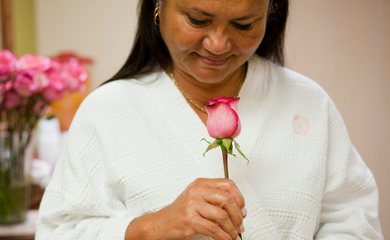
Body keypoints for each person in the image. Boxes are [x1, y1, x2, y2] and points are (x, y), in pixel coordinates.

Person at [36, 0, 384, 239]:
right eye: (198, 20)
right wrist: (152, 228)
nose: (218, 45)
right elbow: (59, 232)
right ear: (158, 7)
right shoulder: (107, 111)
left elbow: (355, 220)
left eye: (243, 24)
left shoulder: (308, 104)